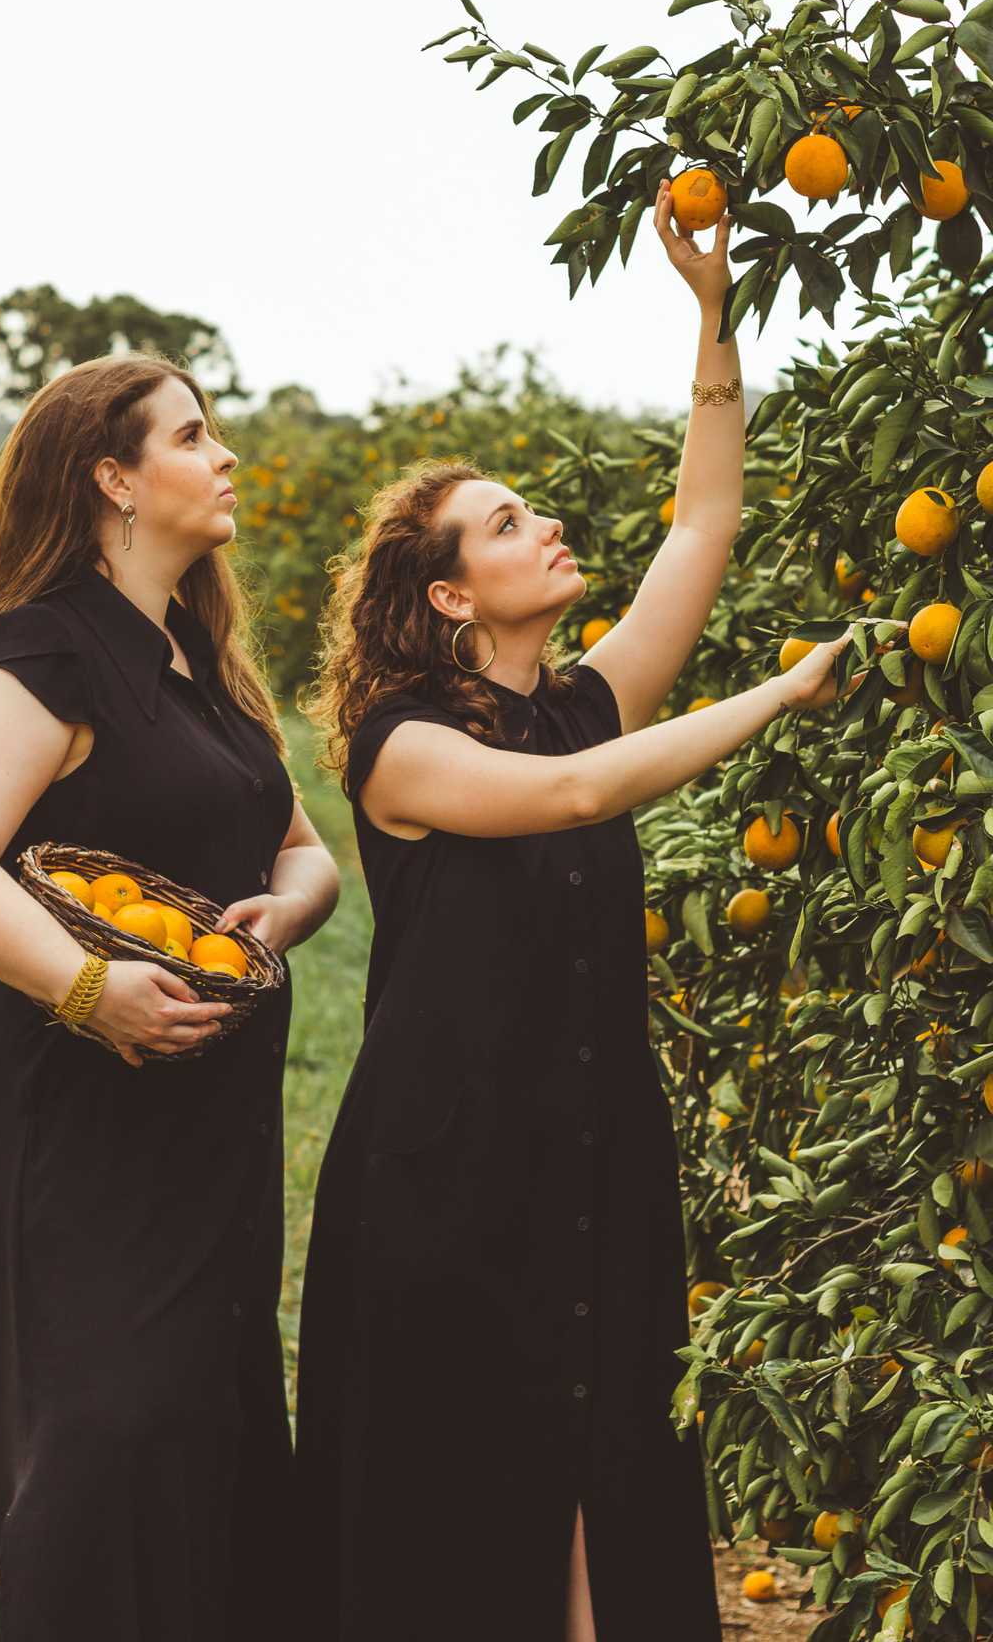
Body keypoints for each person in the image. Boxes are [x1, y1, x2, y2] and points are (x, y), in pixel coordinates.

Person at [293, 179, 856, 1642]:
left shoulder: (583, 703)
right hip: (447, 1177)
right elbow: (573, 800)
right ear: (451, 598)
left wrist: (715, 325)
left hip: (598, 1160)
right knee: (470, 1490)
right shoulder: (406, 746)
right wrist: (777, 694)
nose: (545, 527)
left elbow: (705, 522)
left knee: (611, 1460)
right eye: (506, 522)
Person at [0, 354, 339, 1642]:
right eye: (197, 436)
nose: (228, 456)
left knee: (202, 1417)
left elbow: (299, 847)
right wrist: (87, 987)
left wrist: (284, 911)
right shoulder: (47, 650)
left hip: (207, 1135)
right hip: (75, 1134)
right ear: (115, 478)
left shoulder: (195, 658)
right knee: (100, 1433)